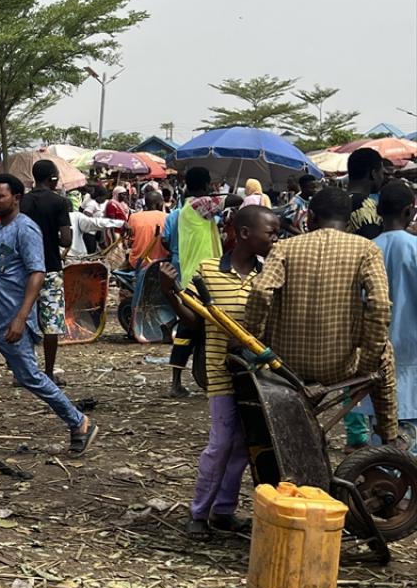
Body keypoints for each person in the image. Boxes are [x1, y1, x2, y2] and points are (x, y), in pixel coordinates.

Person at [0, 175, 98, 456]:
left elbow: (37, 273)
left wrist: (22, 316)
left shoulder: (25, 230)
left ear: (16, 198)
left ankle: (79, 422)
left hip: (12, 319)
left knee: (30, 376)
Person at [246, 187, 405, 449]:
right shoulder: (366, 249)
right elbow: (379, 306)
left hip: (285, 364)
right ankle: (388, 436)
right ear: (349, 218)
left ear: (310, 217)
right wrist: (366, 364)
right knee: (385, 354)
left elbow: (262, 290)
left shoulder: (284, 247)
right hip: (340, 365)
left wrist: (255, 339)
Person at [160, 206, 280, 539]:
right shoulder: (209, 271)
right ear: (243, 233)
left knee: (243, 445)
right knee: (221, 444)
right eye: (270, 232)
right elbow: (194, 320)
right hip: (222, 373)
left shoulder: (270, 274)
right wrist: (169, 291)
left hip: (257, 377)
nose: (276, 238)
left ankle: (223, 511)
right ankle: (199, 512)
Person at [346, 182, 417, 448]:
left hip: (375, 357)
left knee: (382, 439)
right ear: (410, 211)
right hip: (412, 355)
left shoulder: (364, 251)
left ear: (378, 211)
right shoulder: (414, 247)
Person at [162, 167, 224, 397]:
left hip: (200, 273)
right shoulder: (197, 206)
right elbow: (233, 201)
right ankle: (175, 383)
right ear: (205, 184)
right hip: (198, 277)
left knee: (199, 329)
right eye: (210, 184)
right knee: (188, 330)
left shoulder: (187, 209)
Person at [20, 160, 73, 384]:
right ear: (52, 178)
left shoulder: (22, 201)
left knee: (23, 319)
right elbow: (67, 239)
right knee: (52, 322)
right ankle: (49, 372)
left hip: (25, 270)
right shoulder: (60, 202)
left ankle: (23, 371)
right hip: (51, 268)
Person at [346, 148, 386, 239]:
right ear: (374, 173)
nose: (382, 177)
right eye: (382, 173)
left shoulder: (337, 200)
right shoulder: (366, 205)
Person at [126, 190, 169, 268]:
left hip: (137, 263)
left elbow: (130, 241)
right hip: (162, 264)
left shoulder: (133, 217)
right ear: (159, 205)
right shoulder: (168, 217)